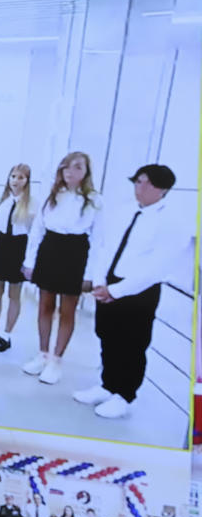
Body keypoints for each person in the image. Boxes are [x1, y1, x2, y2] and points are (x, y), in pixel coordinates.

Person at [74, 164, 189, 419]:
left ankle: (124, 394)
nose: (140, 187)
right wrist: (100, 282)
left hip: (139, 290)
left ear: (162, 188)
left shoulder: (171, 221)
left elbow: (156, 267)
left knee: (132, 342)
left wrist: (117, 291)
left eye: (146, 183)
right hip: (110, 283)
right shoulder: (125, 211)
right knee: (107, 335)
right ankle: (107, 385)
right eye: (137, 181)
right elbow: (105, 246)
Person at [21, 152, 101, 385]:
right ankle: (43, 354)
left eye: (77, 167)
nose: (70, 172)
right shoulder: (54, 195)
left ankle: (57, 360)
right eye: (66, 167)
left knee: (67, 310)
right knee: (45, 305)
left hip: (75, 253)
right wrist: (30, 262)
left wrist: (91, 275)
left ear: (86, 172)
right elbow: (37, 231)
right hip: (50, 249)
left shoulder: (94, 200)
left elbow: (98, 241)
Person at [0, 164, 36, 352]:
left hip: (19, 247)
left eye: (20, 177)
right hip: (2, 245)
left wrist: (29, 261)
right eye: (13, 176)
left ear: (27, 181)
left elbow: (34, 236)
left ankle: (6, 334)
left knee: (14, 293)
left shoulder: (31, 205)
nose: (15, 180)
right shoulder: (2, 202)